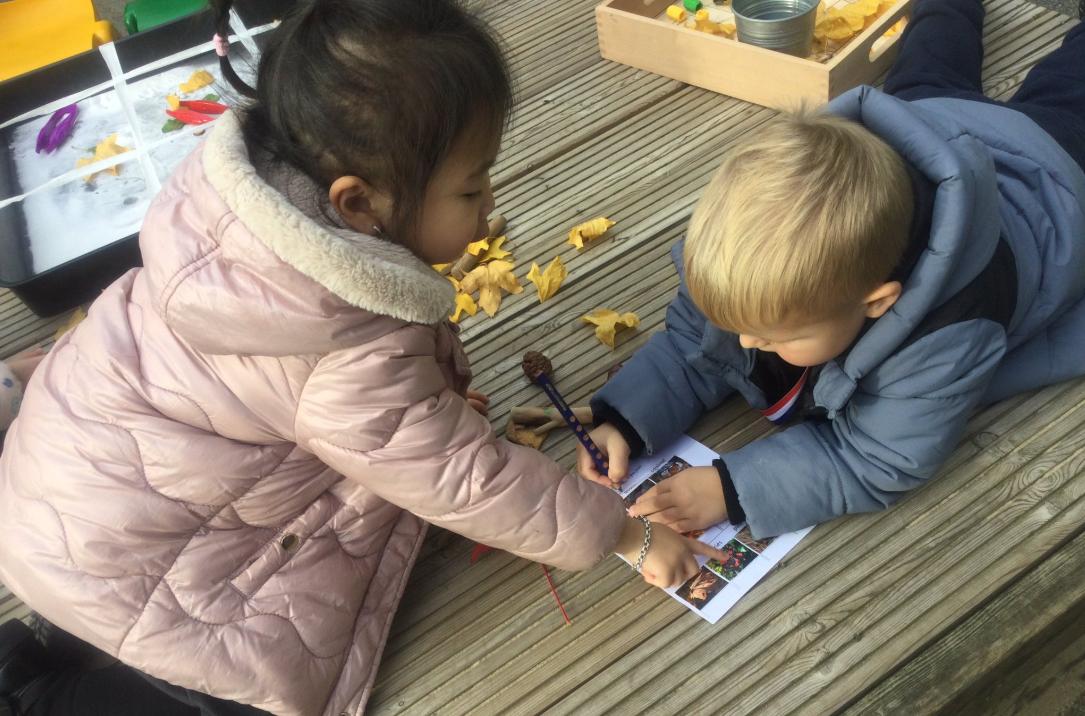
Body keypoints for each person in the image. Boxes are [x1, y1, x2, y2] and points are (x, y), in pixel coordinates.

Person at [0, 1, 726, 714]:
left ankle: (47, 647)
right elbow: (466, 480)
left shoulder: (248, 208)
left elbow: (350, 412)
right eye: (470, 187)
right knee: (247, 676)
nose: (488, 205)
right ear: (356, 205)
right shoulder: (343, 348)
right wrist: (624, 533)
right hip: (114, 551)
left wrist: (423, 407)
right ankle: (34, 691)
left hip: (78, 477)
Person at [578, 0, 1085, 541]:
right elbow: (696, 344)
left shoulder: (946, 333)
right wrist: (626, 420)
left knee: (1072, 86)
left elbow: (881, 456)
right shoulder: (746, 266)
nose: (747, 342)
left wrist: (733, 489)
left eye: (776, 336)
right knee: (932, 44)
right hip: (928, 116)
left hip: (1043, 171)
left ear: (877, 302)